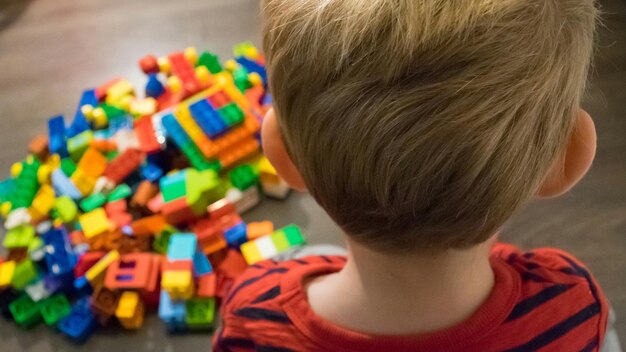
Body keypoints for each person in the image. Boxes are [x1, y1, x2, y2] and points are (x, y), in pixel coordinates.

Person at [215, 0, 622, 351]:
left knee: (295, 259)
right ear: (565, 160)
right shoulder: (572, 306)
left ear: (281, 157)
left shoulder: (254, 316)